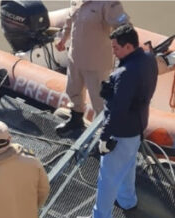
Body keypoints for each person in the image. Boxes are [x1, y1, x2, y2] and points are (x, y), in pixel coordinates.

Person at [76, 24, 158, 218]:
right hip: (138, 126)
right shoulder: (148, 58)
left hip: (122, 130)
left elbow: (118, 109)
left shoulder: (125, 72)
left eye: (116, 48)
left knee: (107, 177)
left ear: (129, 46)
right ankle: (127, 200)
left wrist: (105, 136)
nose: (113, 51)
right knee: (129, 165)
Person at [55, 0, 129, 135]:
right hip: (75, 58)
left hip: (97, 63)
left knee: (100, 101)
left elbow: (123, 25)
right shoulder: (76, 1)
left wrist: (127, 50)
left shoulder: (108, 4)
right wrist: (63, 39)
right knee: (73, 91)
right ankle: (76, 120)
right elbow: (70, 21)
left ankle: (104, 135)